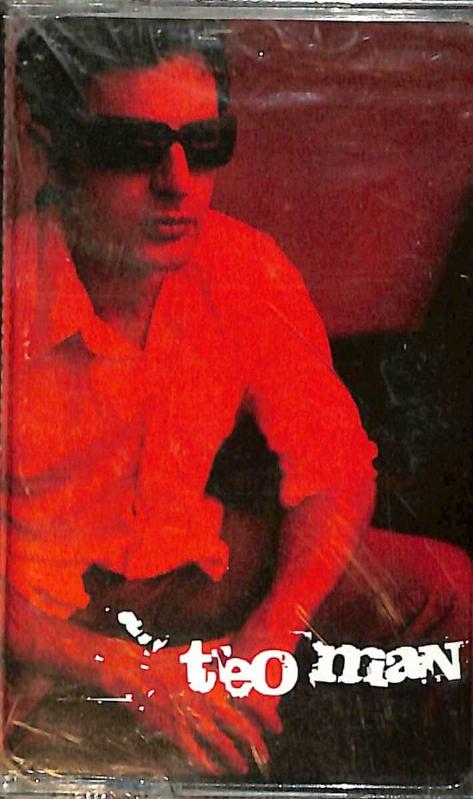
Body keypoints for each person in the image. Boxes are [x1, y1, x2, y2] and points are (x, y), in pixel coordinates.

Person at [3, 16, 471, 780]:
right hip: (33, 621)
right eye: (132, 146)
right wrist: (126, 674)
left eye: (205, 142)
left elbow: (336, 471)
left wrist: (269, 639)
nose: (177, 182)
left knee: (447, 590)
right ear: (52, 145)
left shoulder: (243, 266)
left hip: (185, 565)